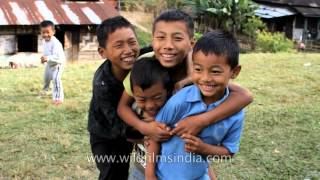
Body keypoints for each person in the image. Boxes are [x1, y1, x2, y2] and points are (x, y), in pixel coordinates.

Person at [117, 9, 252, 148]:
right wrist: (144, 128)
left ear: (191, 43)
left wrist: (200, 121)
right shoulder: (144, 64)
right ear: (152, 39)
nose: (168, 46)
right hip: (148, 134)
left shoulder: (201, 69)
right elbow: (122, 107)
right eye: (161, 37)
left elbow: (245, 96)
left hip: (182, 142)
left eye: (177, 38)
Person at [146, 30, 245, 180]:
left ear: (234, 72)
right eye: (198, 69)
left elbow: (229, 152)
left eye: (215, 71)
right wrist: (150, 176)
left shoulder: (235, 113)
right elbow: (154, 136)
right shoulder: (180, 101)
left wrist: (205, 149)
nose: (205, 78)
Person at [87, 16, 140, 180]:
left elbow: (164, 50)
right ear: (103, 52)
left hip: (130, 128)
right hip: (105, 136)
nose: (128, 50)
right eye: (119, 45)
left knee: (122, 172)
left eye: (132, 42)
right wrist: (148, 133)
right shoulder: (102, 84)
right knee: (112, 173)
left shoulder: (144, 57)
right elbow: (117, 125)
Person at [39, 20, 65, 105]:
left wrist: (47, 58)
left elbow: (57, 57)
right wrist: (43, 58)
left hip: (57, 64)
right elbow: (46, 52)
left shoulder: (56, 43)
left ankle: (58, 98)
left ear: (53, 32)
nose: (45, 34)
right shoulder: (44, 42)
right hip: (49, 63)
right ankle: (46, 90)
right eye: (43, 32)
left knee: (56, 79)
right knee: (46, 79)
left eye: (48, 32)